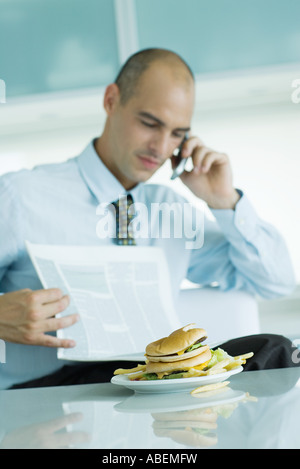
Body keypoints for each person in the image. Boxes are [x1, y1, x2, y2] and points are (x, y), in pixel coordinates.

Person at [0, 48, 297, 389]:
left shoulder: (170, 213)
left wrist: (224, 202)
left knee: (273, 350)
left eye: (177, 134)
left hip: (147, 401)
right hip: (45, 408)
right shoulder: (20, 197)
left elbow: (274, 280)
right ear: (112, 100)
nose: (160, 146)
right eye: (149, 123)